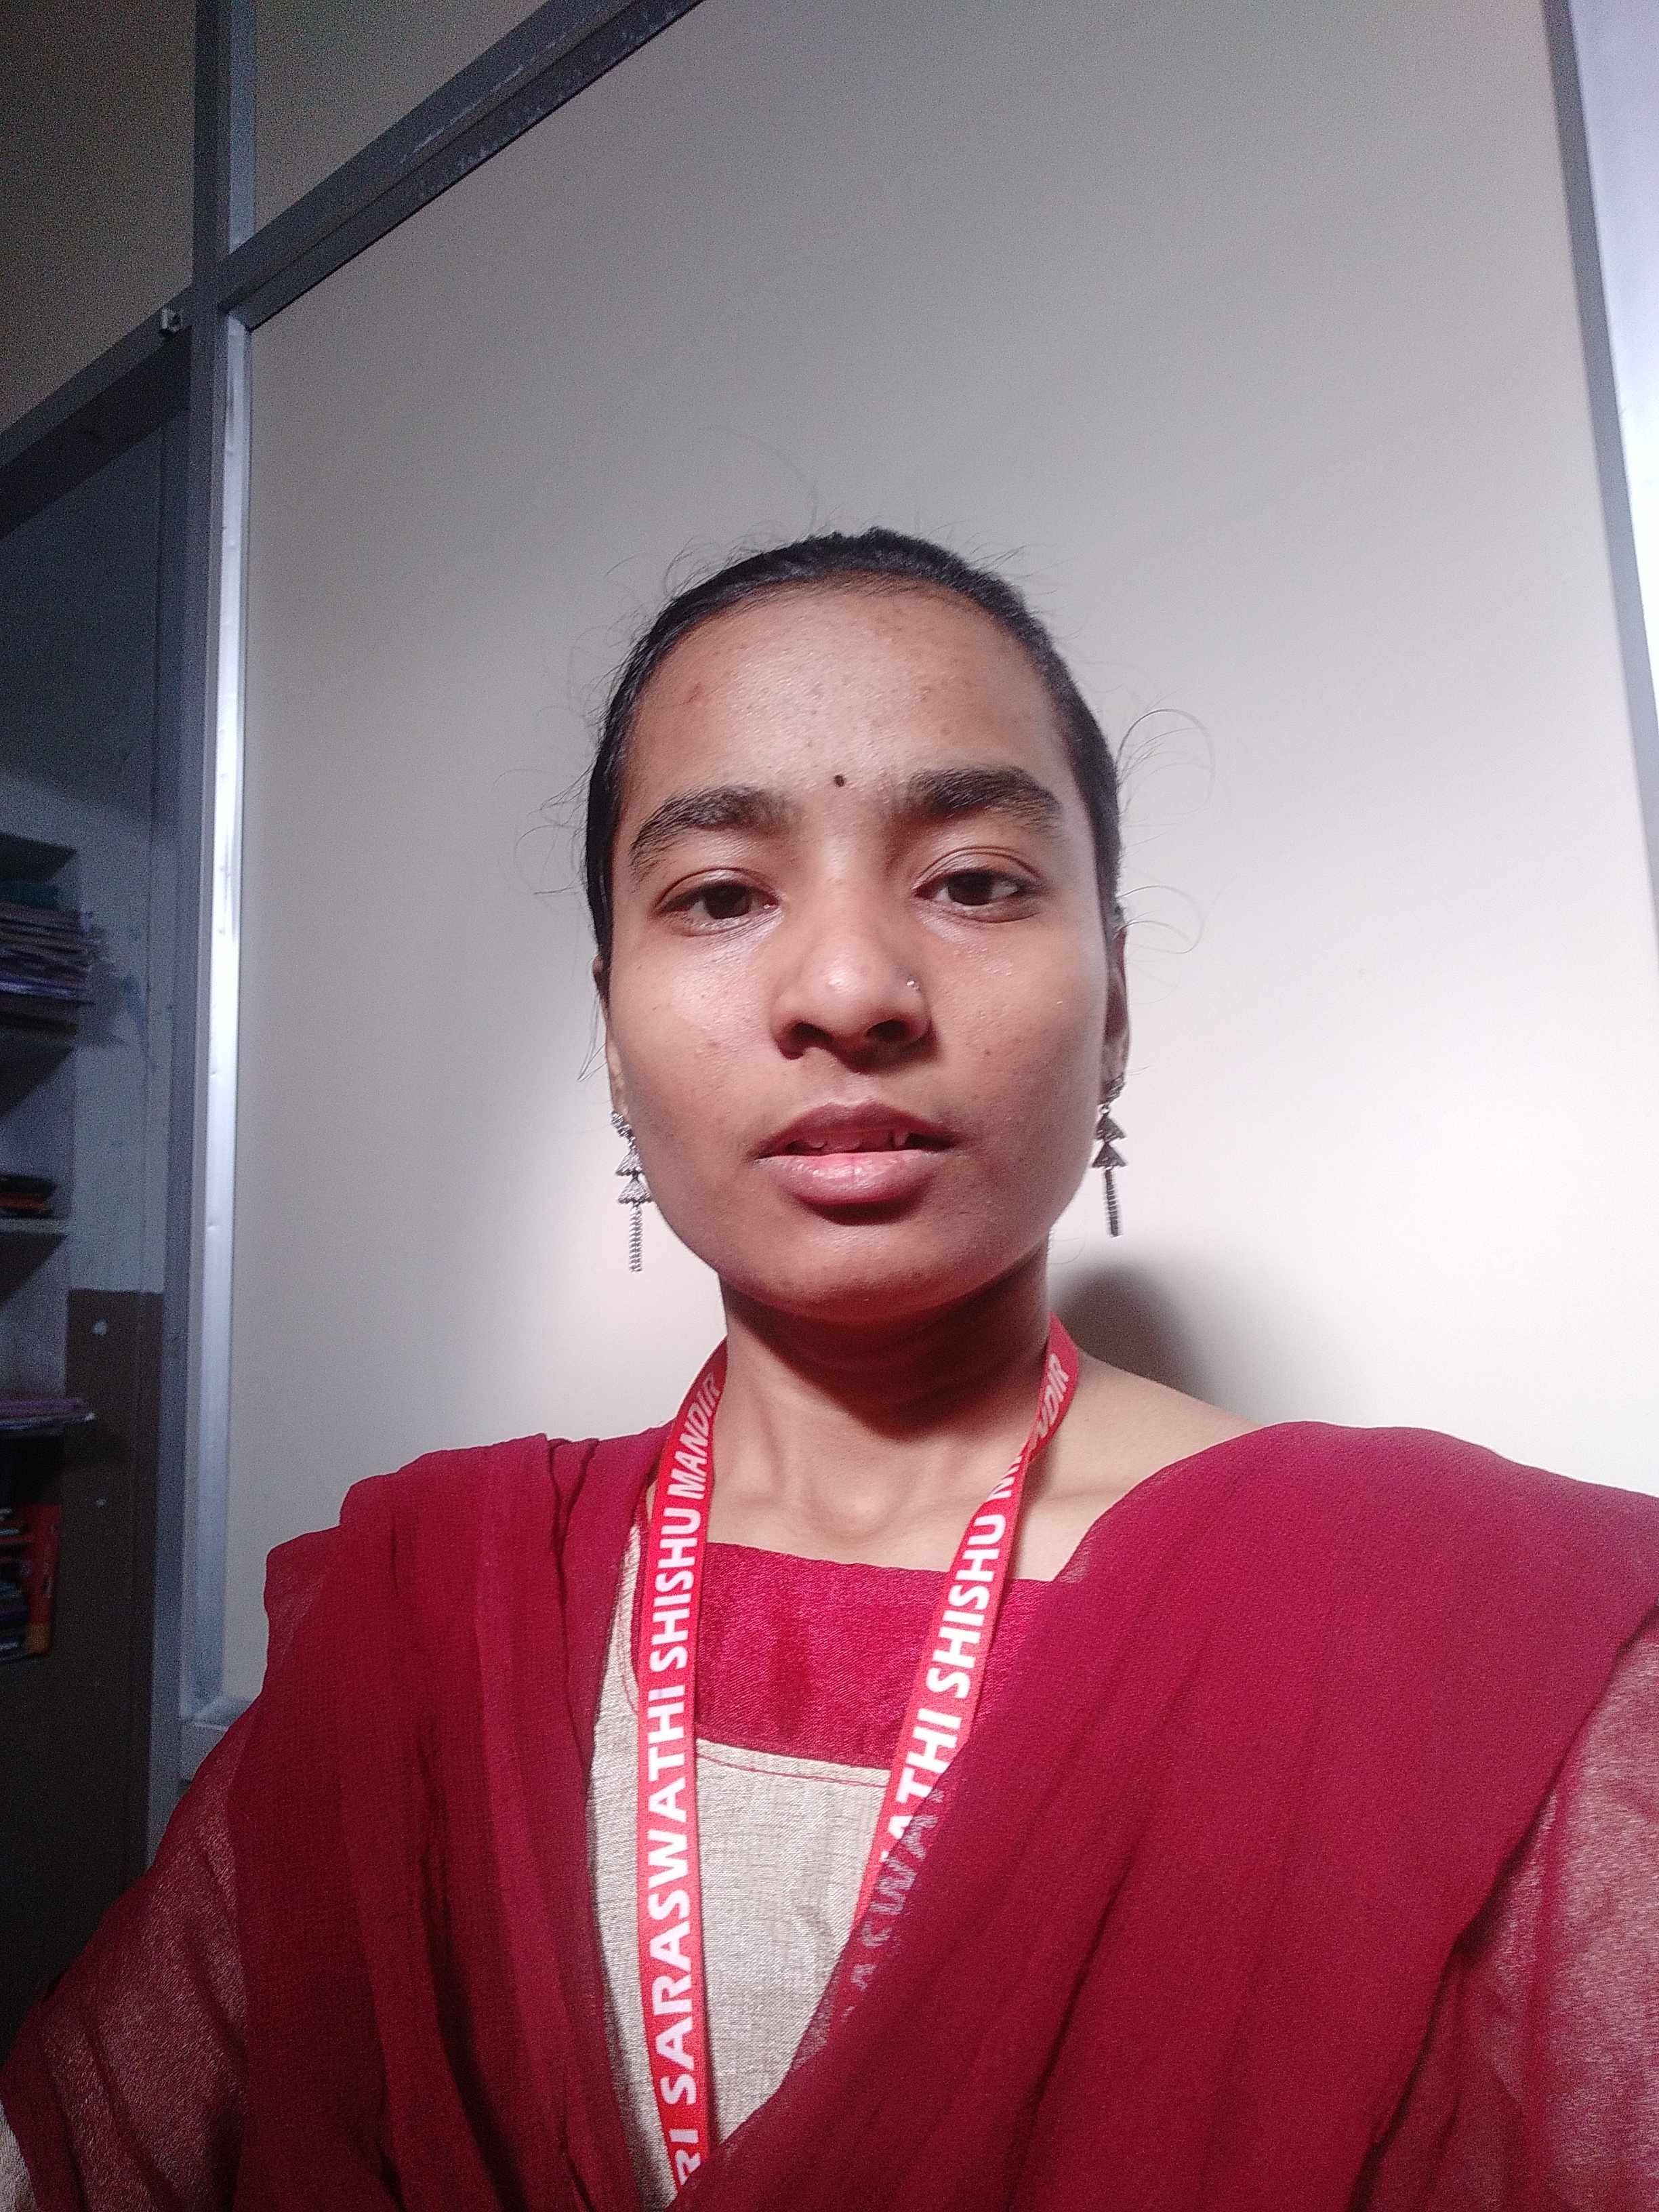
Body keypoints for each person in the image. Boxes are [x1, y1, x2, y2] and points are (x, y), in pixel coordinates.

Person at [3, 529, 1657, 2212]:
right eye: (722, 895)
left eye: (976, 881)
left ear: (1117, 1003)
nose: (852, 990)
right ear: (613, 1029)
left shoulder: (1469, 1641)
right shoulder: (420, 1614)